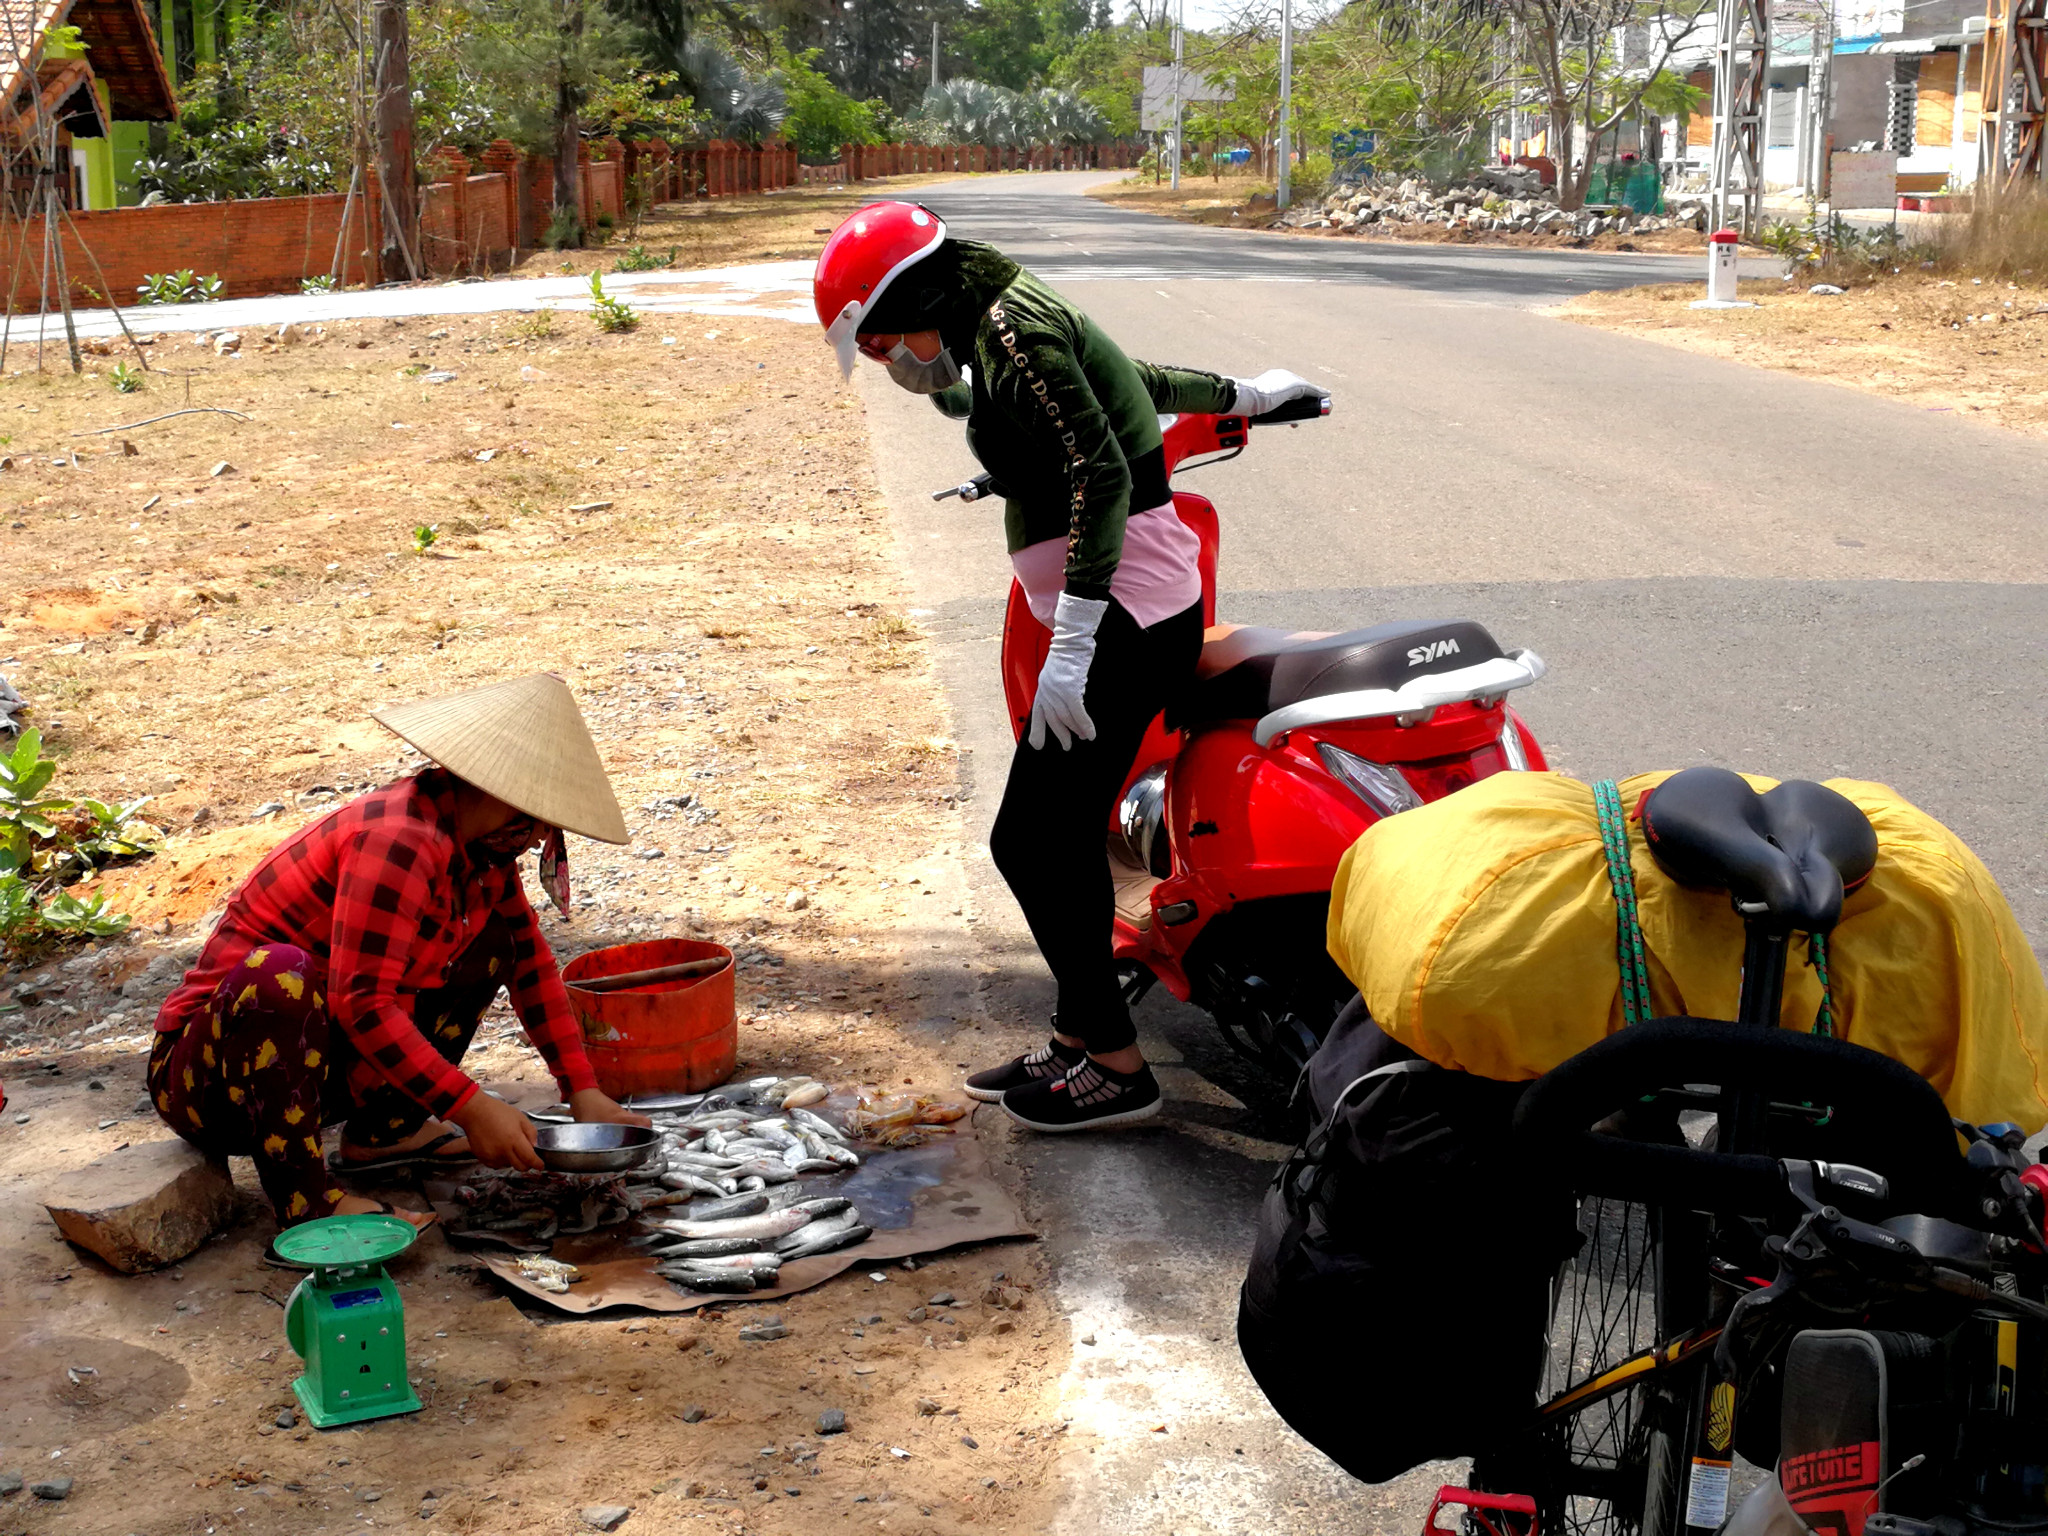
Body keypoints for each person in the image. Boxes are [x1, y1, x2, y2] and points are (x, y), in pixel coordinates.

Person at [812, 202, 1327, 1132]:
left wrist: (1076, 639)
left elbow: (1101, 476)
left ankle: (1117, 1067)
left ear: (918, 294)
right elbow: (1129, 377)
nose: (890, 359)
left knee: (1031, 840)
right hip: (1123, 609)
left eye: (886, 339)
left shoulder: (1012, 335)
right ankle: (1082, 1032)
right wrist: (1247, 396)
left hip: (1124, 617)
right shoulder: (999, 326)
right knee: (1052, 833)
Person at [150, 673, 651, 1241]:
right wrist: (469, 1106)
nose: (539, 837)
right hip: (211, 1084)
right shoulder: (400, 839)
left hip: (318, 1063)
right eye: (537, 817)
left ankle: (385, 1135)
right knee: (280, 975)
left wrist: (581, 1087)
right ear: (494, 790)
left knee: (492, 944)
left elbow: (529, 963)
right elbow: (362, 1001)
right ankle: (309, 1206)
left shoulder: (480, 853)